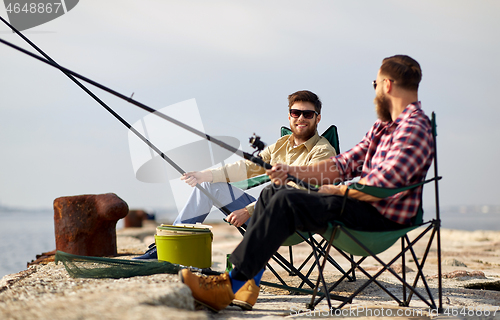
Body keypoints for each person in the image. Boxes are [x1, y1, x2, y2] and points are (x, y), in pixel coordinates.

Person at [179, 55, 435, 312]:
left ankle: (228, 284)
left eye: (375, 84)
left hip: (381, 218)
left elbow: (386, 182)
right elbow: (344, 164)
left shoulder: (413, 126)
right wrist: (292, 171)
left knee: (285, 199)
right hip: (360, 205)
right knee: (272, 193)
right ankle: (240, 283)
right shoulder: (384, 126)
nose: (375, 91)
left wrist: (337, 190)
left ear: (387, 85)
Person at [136, 90, 337, 309]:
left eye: (308, 114)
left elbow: (296, 191)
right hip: (267, 208)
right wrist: (206, 174)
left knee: (275, 196)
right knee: (208, 185)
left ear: (318, 118)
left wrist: (249, 211)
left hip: (294, 220)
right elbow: (247, 167)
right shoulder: (281, 144)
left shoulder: (323, 151)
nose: (301, 118)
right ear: (289, 116)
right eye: (296, 113)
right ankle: (169, 243)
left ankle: (239, 282)